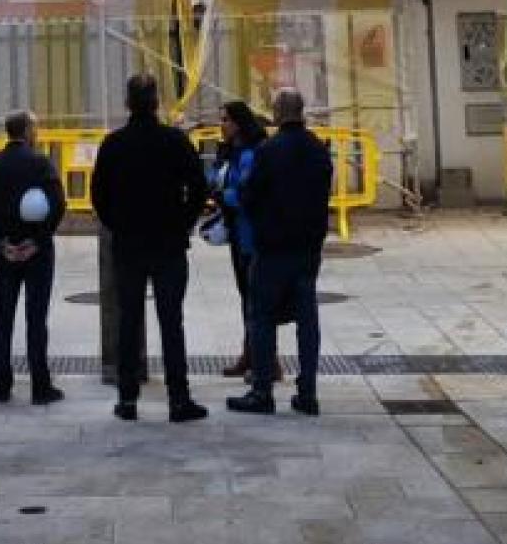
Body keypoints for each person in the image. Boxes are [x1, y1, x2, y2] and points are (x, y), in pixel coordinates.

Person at [90, 73, 210, 424]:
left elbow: (99, 195)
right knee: (172, 322)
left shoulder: (114, 144)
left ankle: (127, 399)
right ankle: (178, 398)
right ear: (156, 101)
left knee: (129, 320)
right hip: (169, 243)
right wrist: (182, 221)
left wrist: (119, 224)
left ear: (128, 103)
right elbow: (198, 187)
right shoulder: (174, 141)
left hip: (129, 245)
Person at [228, 87, 331, 418]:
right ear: (301, 112)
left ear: (277, 113)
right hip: (308, 248)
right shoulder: (318, 150)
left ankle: (262, 390)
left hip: (272, 247)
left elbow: (250, 193)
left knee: (262, 318)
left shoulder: (268, 151)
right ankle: (308, 391)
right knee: (307, 320)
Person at [0, 110, 67, 406]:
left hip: (4, 252)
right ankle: (40, 385)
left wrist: (1, 242)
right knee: (36, 317)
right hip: (37, 252)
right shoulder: (40, 164)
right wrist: (37, 241)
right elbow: (57, 205)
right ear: (28, 131)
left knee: (4, 314)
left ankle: (1, 383)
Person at [212, 101, 272, 380]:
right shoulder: (232, 152)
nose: (221, 125)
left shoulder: (250, 154)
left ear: (238, 123)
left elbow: (247, 191)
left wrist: (223, 197)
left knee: (255, 297)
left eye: (225, 120)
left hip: (251, 234)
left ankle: (263, 359)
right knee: (247, 297)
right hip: (238, 232)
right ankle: (251, 353)